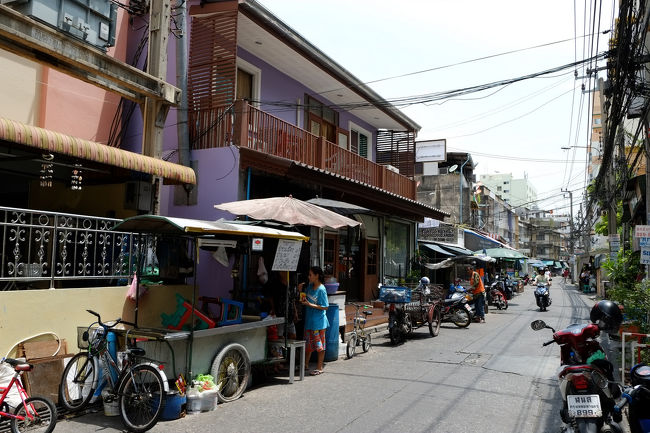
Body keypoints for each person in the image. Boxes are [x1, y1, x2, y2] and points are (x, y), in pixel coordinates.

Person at [299, 266, 329, 375]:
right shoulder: (310, 287)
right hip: (309, 321)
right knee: (308, 345)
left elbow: (325, 306)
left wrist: (309, 304)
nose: (309, 277)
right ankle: (305, 365)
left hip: (319, 323)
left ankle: (319, 367)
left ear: (316, 276)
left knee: (319, 346)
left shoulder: (321, 289)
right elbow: (304, 300)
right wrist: (300, 291)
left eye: (310, 275)